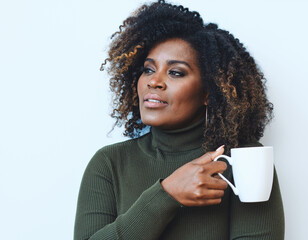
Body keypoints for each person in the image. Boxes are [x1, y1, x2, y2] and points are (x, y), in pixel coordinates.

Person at [74, 0, 285, 239]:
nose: (154, 81)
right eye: (148, 69)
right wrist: (166, 194)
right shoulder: (109, 163)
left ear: (208, 92)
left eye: (175, 72)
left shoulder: (243, 163)